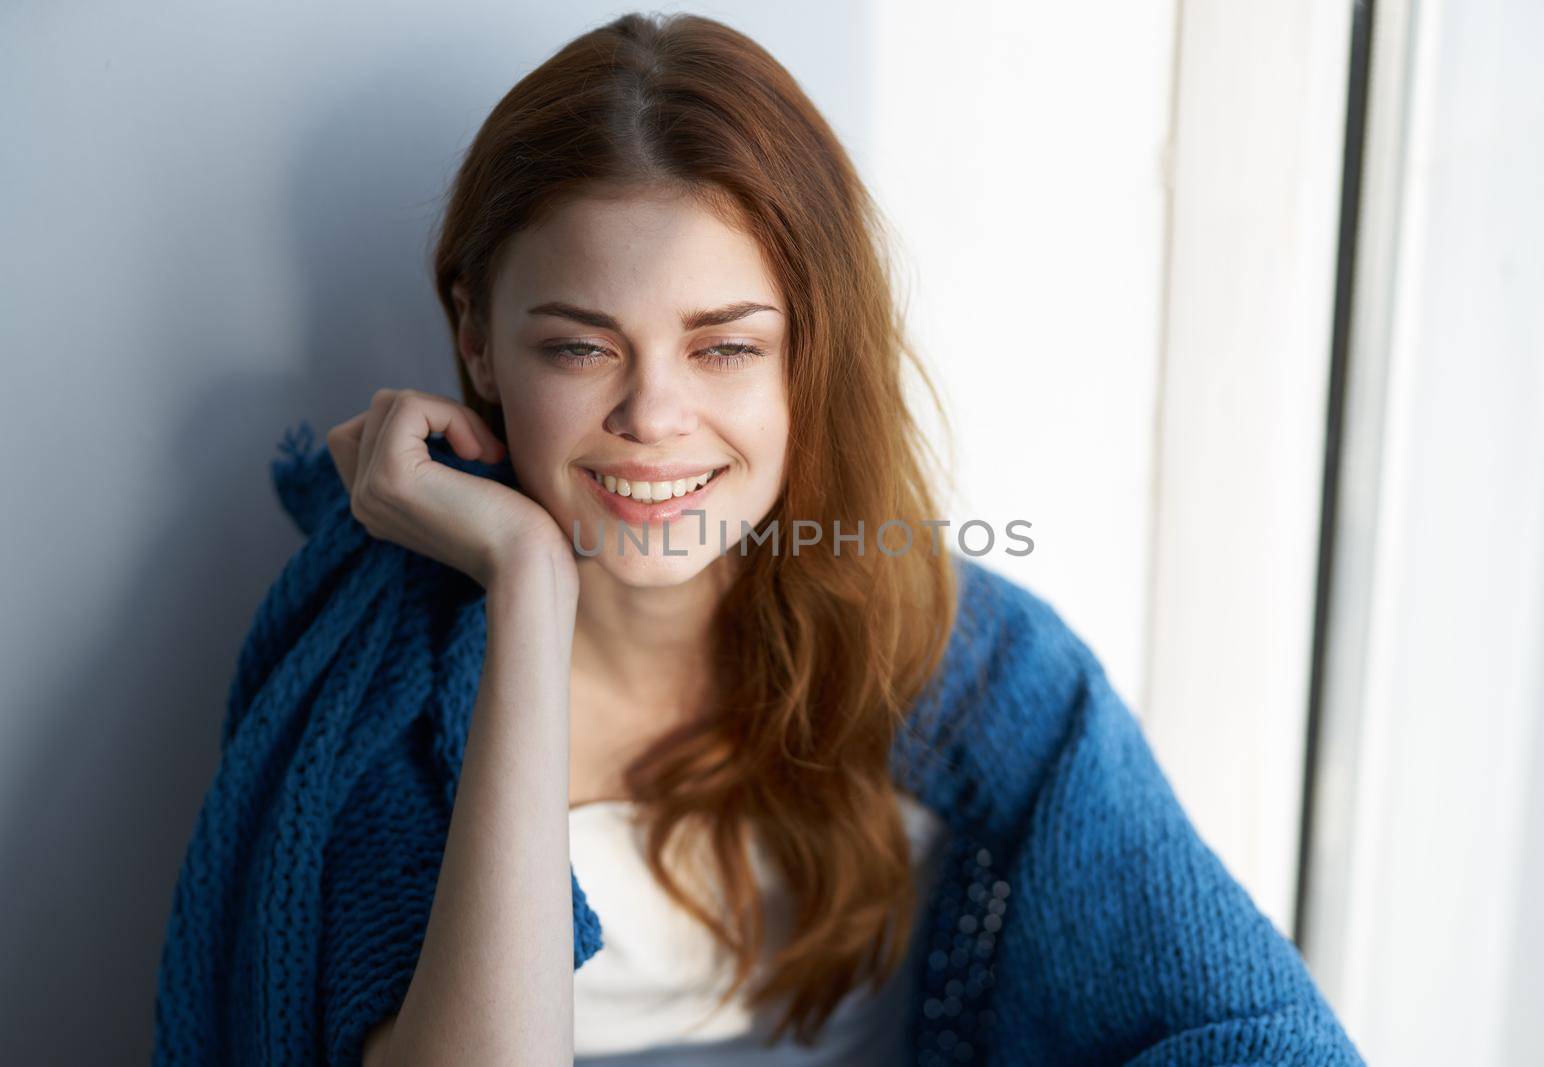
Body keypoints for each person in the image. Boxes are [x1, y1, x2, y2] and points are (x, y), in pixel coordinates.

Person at [151, 11, 1366, 1066]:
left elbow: (1249, 1021)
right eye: (581, 346)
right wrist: (527, 584)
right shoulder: (377, 696)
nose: (652, 418)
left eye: (723, 346)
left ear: (807, 356)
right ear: (476, 335)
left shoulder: (974, 667)